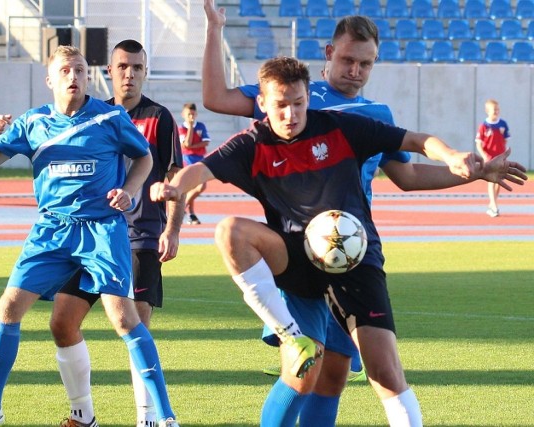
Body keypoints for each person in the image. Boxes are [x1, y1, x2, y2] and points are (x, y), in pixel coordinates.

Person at [201, 4, 526, 425]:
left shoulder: (376, 116)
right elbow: (215, 98)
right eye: (347, 59)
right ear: (328, 52)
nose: (355, 70)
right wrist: (214, 29)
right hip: (297, 247)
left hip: (349, 251)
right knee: (302, 367)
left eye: (365, 64)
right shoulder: (295, 96)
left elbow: (406, 175)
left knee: (334, 374)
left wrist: (469, 172)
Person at [0, 45, 179, 427]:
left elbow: (143, 157)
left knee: (125, 320)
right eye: (65, 71)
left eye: (79, 70)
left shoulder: (109, 117)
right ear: (50, 80)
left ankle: (165, 418)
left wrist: (129, 190)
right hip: (51, 230)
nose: (73, 77)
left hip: (101, 230)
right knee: (9, 307)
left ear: (87, 76)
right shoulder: (33, 122)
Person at [49, 40, 183, 427]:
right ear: (109, 71)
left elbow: (174, 177)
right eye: (122, 66)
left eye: (137, 67)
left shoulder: (159, 117)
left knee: (134, 326)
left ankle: (148, 419)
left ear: (145, 72)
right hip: (89, 238)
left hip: (139, 237)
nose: (129, 73)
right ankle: (83, 414)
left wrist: (173, 228)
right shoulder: (92, 115)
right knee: (62, 321)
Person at [475, 99, 510, 218]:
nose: (496, 111)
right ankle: (494, 205)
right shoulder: (484, 126)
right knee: (491, 180)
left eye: (497, 109)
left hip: (500, 157)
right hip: (489, 158)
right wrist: (484, 155)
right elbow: (479, 143)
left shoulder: (503, 124)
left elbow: (505, 140)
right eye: (493, 109)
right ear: (487, 111)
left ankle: (492, 203)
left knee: (499, 180)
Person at [178, 102, 211, 225]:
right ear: (183, 115)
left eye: (193, 114)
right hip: (187, 159)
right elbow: (186, 144)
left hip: (200, 159)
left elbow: (206, 142)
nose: (191, 117)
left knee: (198, 187)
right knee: (195, 186)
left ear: (196, 114)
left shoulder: (201, 126)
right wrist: (191, 128)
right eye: (188, 114)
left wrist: (193, 146)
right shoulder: (182, 128)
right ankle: (189, 212)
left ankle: (185, 210)